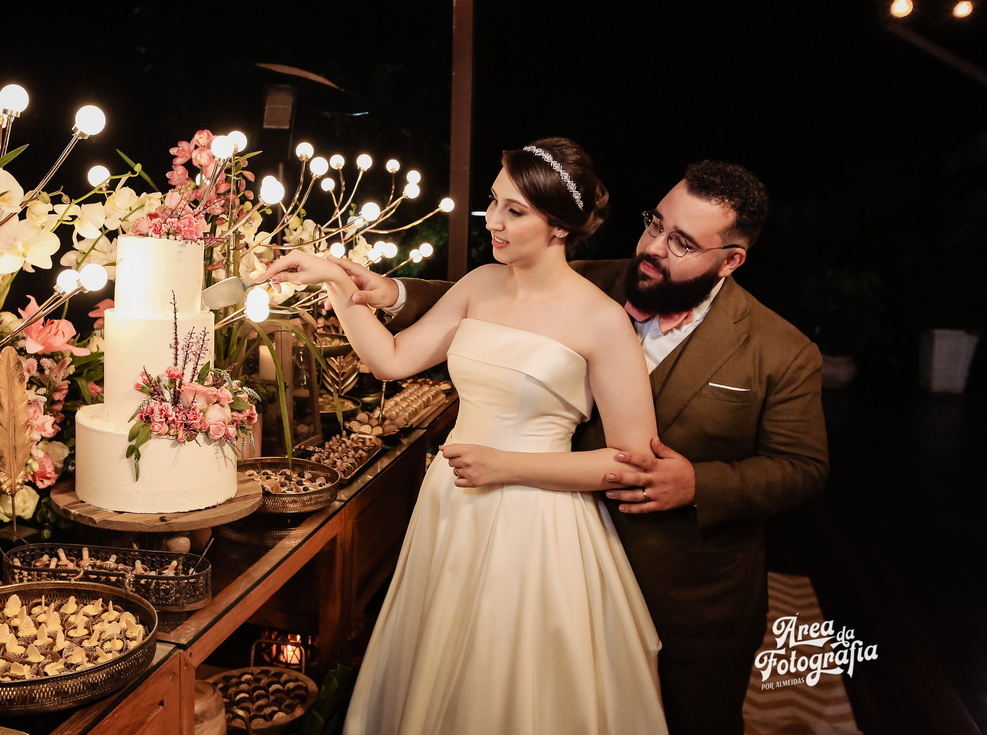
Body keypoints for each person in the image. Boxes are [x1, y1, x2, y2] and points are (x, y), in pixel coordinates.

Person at [347, 159, 830, 735]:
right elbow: (485, 300)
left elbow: (803, 468)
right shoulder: (590, 279)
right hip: (540, 546)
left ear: (731, 260)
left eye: (681, 242)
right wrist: (385, 291)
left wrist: (698, 483)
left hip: (686, 585)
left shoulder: (780, 350)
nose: (653, 246)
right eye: (655, 222)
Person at [258, 138, 669, 735]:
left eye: (515, 211)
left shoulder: (602, 320)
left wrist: (507, 466)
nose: (494, 221)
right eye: (494, 203)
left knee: (509, 679)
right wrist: (335, 283)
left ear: (560, 227)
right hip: (452, 506)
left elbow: (631, 462)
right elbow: (393, 360)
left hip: (538, 522)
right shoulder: (480, 284)